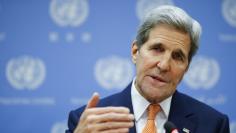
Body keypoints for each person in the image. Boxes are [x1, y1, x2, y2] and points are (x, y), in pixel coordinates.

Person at [66, 5, 229, 133]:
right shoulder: (89, 120)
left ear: (186, 68)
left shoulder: (213, 124)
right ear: (135, 51)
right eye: (157, 49)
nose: (164, 65)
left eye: (178, 56)